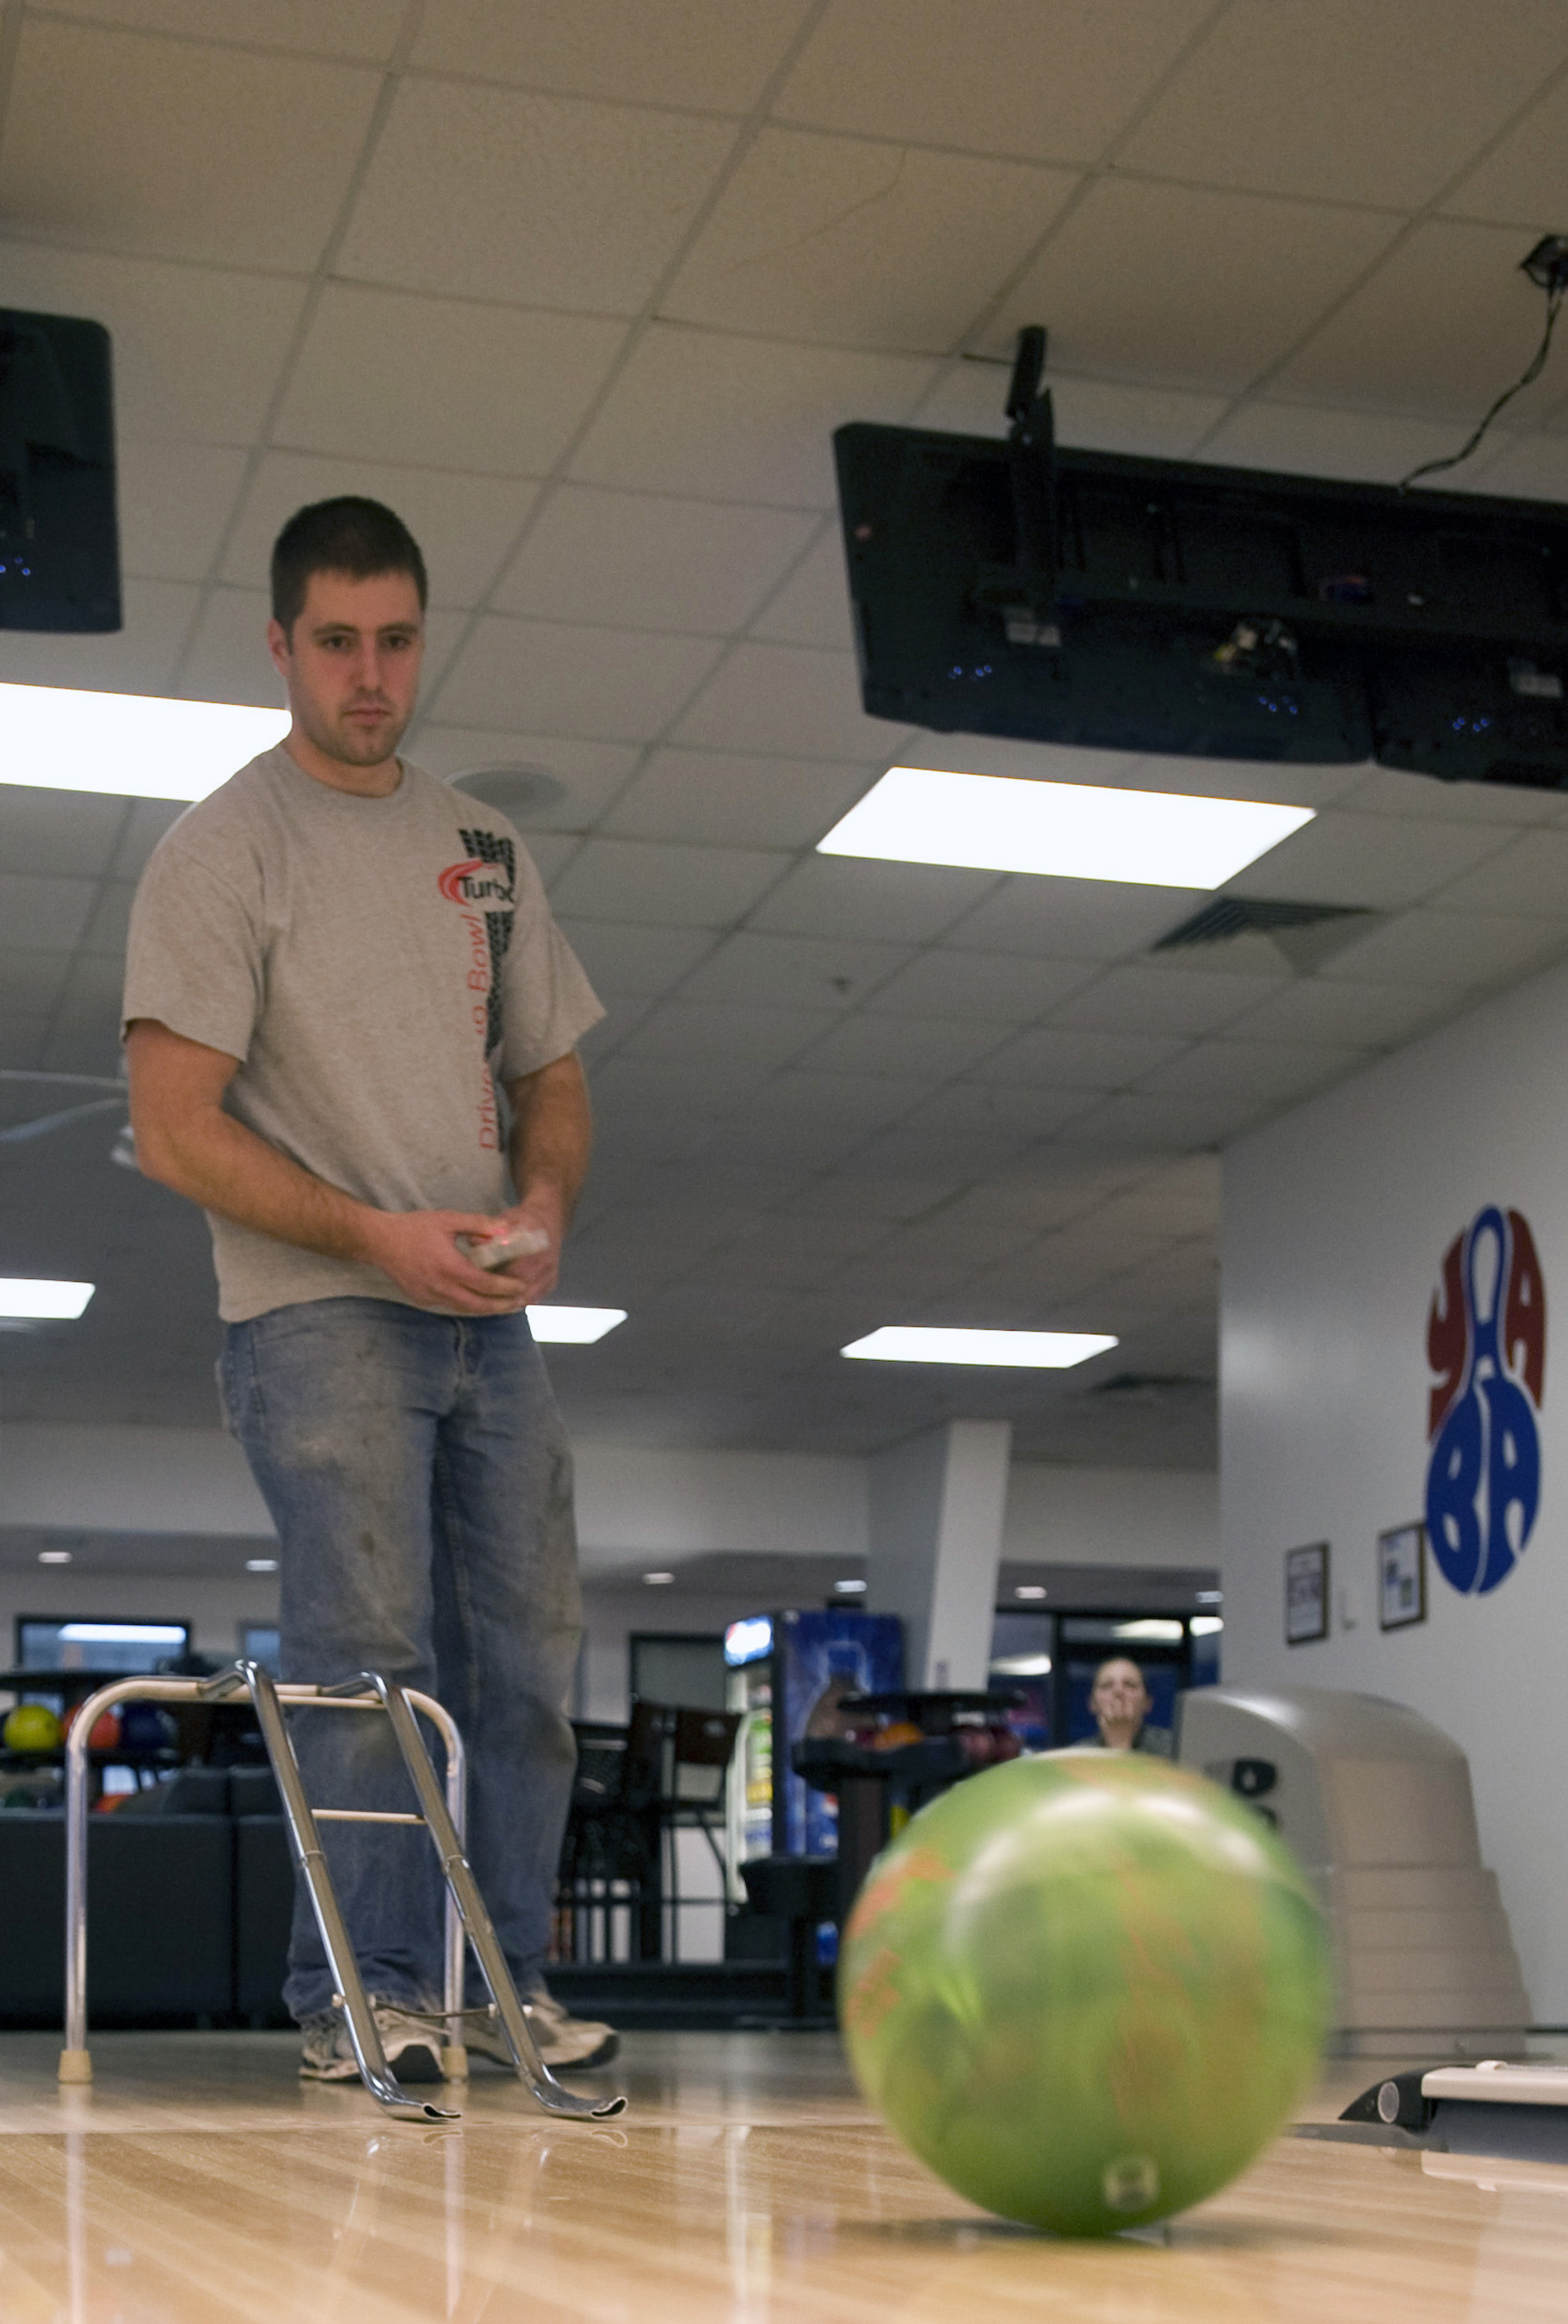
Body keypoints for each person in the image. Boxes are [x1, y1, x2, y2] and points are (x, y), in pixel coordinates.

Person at [121, 496, 614, 2082]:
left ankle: (501, 1982)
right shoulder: (222, 851)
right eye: (336, 642)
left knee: (527, 1666)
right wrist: (373, 1236)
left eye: (395, 640)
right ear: (280, 645)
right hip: (316, 1314)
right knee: (367, 1662)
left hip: (487, 1314)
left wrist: (541, 1201)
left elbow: (550, 1075)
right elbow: (172, 1128)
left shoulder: (484, 845)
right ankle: (369, 1991)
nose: (370, 675)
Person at [1086, 1657, 1173, 1756]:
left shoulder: (1175, 1748)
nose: (1118, 1691)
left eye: (1129, 1685)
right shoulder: (1079, 1755)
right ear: (1092, 1703)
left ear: (1147, 1702)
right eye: (1107, 1685)